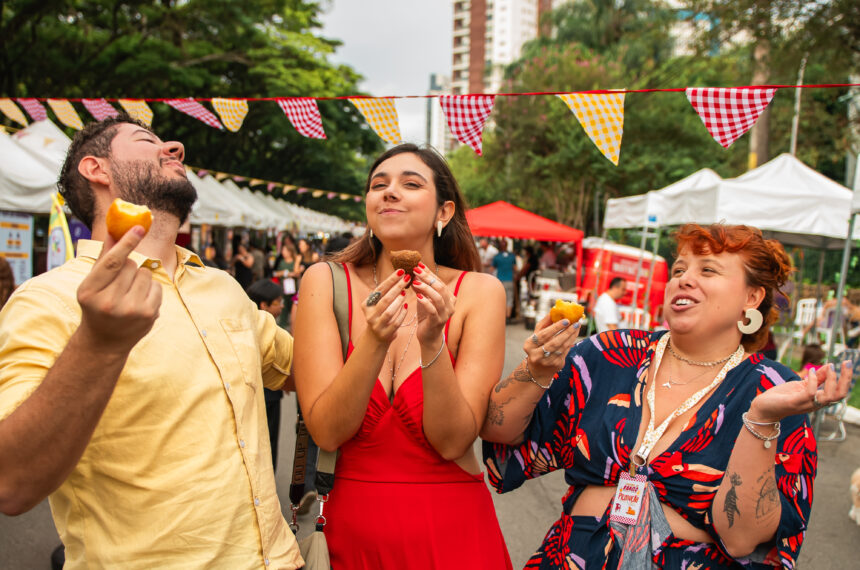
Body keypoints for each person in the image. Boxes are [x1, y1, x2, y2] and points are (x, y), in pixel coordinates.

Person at [0, 115, 302, 569]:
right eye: (148, 140)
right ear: (95, 169)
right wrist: (99, 344)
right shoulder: (47, 300)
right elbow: (12, 483)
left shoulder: (222, 287)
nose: (176, 146)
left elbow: (307, 371)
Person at [482, 223, 853, 569]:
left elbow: (743, 540)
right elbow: (499, 431)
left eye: (708, 271)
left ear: (752, 297)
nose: (684, 280)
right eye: (678, 270)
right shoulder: (610, 353)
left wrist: (760, 420)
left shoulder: (774, 388)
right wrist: (539, 368)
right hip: (572, 556)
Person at [293, 143, 512, 569]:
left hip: (454, 537)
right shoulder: (325, 281)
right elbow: (327, 431)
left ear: (443, 213)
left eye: (410, 184)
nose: (390, 192)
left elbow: (452, 442)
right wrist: (374, 340)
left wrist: (433, 343)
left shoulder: (479, 293)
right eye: (379, 185)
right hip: (350, 538)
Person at [493, 240, 517, 322]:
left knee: (499, 299)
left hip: (499, 281)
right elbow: (515, 268)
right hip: (509, 280)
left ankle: (500, 316)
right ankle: (508, 317)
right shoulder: (512, 256)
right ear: (507, 246)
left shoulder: (497, 256)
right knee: (509, 299)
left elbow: (492, 269)